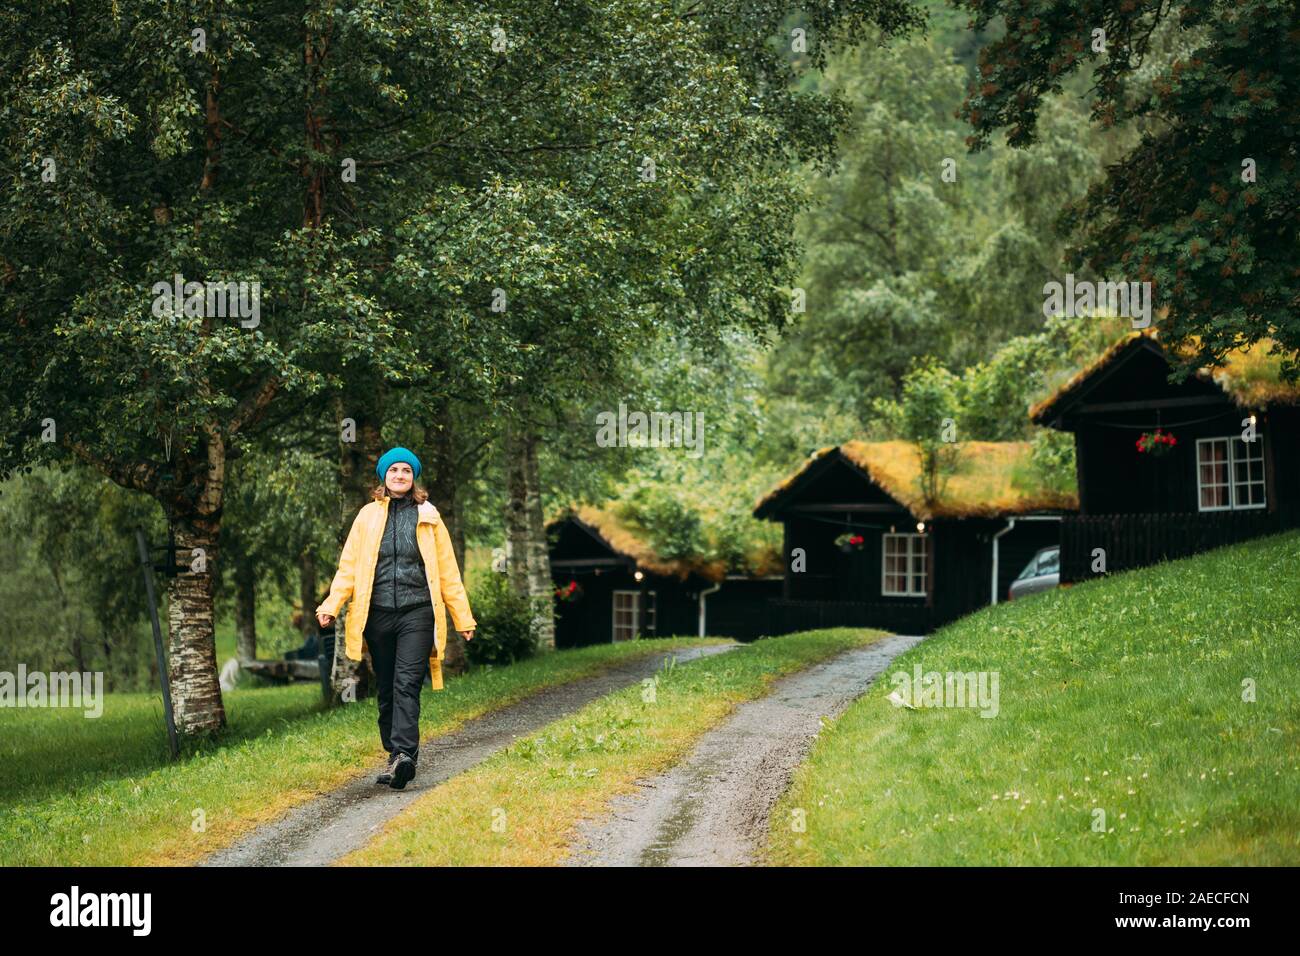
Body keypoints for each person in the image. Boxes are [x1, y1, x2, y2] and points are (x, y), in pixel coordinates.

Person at [315, 447, 476, 790]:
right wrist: (331, 604)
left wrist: (463, 617)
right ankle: (394, 754)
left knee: (406, 682)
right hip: (376, 615)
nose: (400, 475)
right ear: (384, 477)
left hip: (418, 612)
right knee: (387, 685)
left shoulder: (429, 516)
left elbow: (447, 571)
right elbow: (349, 568)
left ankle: (405, 754)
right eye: (394, 470)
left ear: (413, 477)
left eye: (406, 470)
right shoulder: (366, 517)